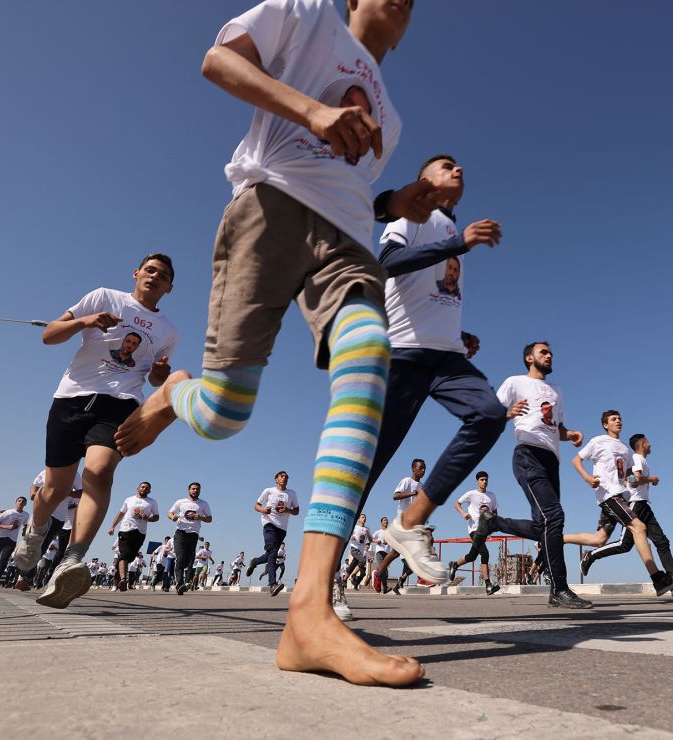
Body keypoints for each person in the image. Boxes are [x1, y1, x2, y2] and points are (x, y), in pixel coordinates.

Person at [111, 0, 440, 688]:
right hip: (269, 208)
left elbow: (350, 183)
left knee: (368, 359)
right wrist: (313, 111)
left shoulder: (393, 114)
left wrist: (396, 203)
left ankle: (309, 613)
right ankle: (179, 393)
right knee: (227, 415)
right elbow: (220, 60)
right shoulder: (309, 13)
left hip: (347, 242)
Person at [359, 153, 505, 585]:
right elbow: (385, 264)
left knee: (491, 414)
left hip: (446, 357)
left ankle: (410, 522)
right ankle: (326, 583)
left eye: (460, 165)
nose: (458, 169)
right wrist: (458, 244)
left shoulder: (450, 230)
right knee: (367, 468)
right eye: (446, 166)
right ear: (423, 182)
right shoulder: (412, 217)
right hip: (402, 355)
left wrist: (459, 338)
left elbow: (432, 297)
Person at [10, 253, 177, 609]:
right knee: (54, 489)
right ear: (136, 273)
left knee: (99, 472)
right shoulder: (104, 297)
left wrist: (161, 376)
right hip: (72, 398)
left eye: (163, 276)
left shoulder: (168, 332)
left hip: (122, 403)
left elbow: (154, 377)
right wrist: (85, 320)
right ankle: (35, 533)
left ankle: (72, 559)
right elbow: (49, 335)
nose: (154, 277)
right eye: (150, 270)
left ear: (169, 287)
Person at [479, 342, 590, 608]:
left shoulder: (557, 391)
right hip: (527, 455)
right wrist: (507, 414)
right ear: (529, 358)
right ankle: (559, 589)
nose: (550, 355)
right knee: (555, 517)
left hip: (552, 460)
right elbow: (489, 413)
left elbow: (556, 427)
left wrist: (570, 434)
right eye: (544, 352)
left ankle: (494, 523)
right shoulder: (515, 382)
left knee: (544, 527)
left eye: (552, 352)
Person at [563, 411, 673, 596]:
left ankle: (556, 539)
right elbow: (576, 460)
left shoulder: (625, 449)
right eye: (613, 419)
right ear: (605, 425)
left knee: (599, 539)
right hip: (608, 495)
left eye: (619, 418)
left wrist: (634, 480)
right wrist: (587, 478)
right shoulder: (598, 441)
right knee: (639, 528)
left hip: (620, 495)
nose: (618, 421)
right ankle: (658, 579)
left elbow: (627, 473)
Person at [16, 469, 83, 591]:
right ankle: (26, 574)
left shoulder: (74, 474)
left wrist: (68, 493)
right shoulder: (46, 470)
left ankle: (25, 576)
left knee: (43, 543)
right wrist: (33, 493)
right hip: (41, 509)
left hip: (58, 516)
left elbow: (81, 492)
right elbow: (35, 484)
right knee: (33, 541)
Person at [371, 459, 425, 596]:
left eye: (424, 468)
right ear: (413, 469)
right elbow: (395, 496)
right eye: (420, 468)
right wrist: (413, 494)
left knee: (398, 552)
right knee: (399, 552)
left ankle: (378, 574)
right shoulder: (407, 481)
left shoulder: (422, 486)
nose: (423, 470)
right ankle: (422, 577)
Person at [247, 471, 300, 597]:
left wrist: (288, 510)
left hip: (282, 527)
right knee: (273, 552)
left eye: (287, 477)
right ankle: (272, 584)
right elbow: (256, 505)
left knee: (271, 553)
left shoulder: (291, 493)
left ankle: (254, 562)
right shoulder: (269, 491)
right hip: (269, 523)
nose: (285, 478)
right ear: (276, 479)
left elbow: (297, 511)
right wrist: (264, 510)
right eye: (282, 476)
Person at [449, 471, 500, 594]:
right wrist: (463, 513)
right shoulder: (471, 494)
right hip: (474, 529)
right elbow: (456, 504)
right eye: (482, 479)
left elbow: (495, 512)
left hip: (485, 530)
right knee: (485, 553)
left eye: (486, 479)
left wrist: (493, 525)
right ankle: (488, 585)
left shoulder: (491, 495)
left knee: (472, 556)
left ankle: (455, 565)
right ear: (477, 481)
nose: (484, 482)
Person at [106, 482, 160, 591]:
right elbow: (121, 513)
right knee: (124, 555)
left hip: (140, 532)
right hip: (125, 529)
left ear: (149, 491)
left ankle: (117, 579)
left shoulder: (152, 502)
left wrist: (148, 519)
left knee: (130, 557)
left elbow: (157, 517)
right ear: (138, 488)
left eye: (147, 488)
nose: (144, 489)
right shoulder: (129, 499)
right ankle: (123, 580)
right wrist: (112, 526)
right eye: (142, 487)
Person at [168, 483, 213, 595]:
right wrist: (173, 517)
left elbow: (210, 519)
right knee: (180, 557)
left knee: (190, 559)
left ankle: (186, 582)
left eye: (197, 489)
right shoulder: (180, 502)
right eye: (193, 489)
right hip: (180, 533)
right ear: (188, 490)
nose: (195, 490)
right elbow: (170, 512)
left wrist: (201, 517)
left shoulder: (203, 503)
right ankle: (179, 583)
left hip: (193, 534)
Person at [0, 497, 29, 591]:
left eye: (23, 501)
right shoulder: (8, 512)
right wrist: (7, 527)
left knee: (4, 560)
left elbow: (25, 524)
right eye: (19, 501)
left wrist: (24, 532)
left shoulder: (26, 515)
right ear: (15, 502)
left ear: (25, 504)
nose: (21, 502)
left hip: (11, 540)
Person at [345, 514, 371, 589]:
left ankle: (345, 580)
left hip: (361, 552)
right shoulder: (355, 527)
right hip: (354, 548)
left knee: (354, 566)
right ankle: (353, 575)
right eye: (362, 517)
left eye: (365, 517)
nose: (364, 518)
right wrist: (351, 537)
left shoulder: (367, 529)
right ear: (359, 519)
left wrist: (368, 534)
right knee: (362, 561)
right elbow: (348, 534)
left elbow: (371, 540)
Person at [370, 517, 392, 592]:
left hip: (387, 553)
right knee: (382, 569)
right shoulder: (378, 532)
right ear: (381, 522)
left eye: (387, 520)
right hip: (379, 552)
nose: (386, 521)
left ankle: (385, 588)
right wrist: (376, 541)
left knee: (385, 571)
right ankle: (383, 586)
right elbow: (371, 539)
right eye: (384, 520)